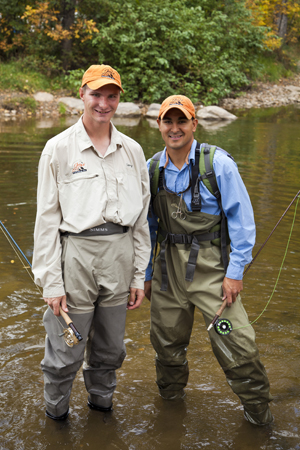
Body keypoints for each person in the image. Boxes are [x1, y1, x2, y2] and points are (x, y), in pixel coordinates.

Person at [144, 95, 273, 426]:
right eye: (168, 121)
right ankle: (171, 414)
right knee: (166, 347)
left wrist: (235, 273)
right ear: (159, 125)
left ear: (194, 124)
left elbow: (242, 223)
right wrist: (144, 274)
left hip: (213, 269)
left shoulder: (218, 164)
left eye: (181, 121)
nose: (175, 128)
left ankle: (260, 418)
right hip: (167, 271)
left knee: (238, 345)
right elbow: (147, 229)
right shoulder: (151, 168)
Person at [32, 64, 151, 420]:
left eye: (111, 95)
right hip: (76, 259)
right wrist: (51, 282)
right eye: (96, 94)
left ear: (119, 99)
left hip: (120, 256)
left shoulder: (133, 150)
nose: (103, 103)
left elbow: (141, 221)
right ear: (81, 94)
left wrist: (137, 275)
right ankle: (57, 419)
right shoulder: (58, 149)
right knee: (66, 350)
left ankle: (102, 411)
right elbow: (46, 222)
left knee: (111, 350)